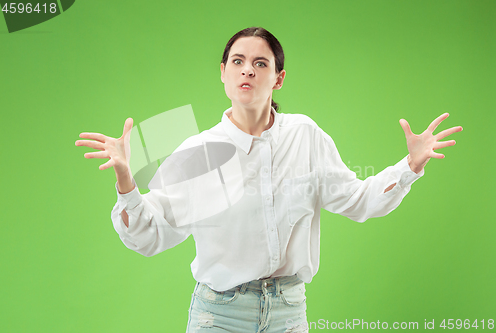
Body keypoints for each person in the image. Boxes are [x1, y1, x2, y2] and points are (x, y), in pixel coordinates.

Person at [75, 27, 462, 333]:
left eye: (261, 64)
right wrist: (127, 180)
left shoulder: (305, 135)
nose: (248, 69)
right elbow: (150, 234)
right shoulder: (200, 151)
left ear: (278, 78)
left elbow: (359, 201)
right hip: (219, 316)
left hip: (289, 314)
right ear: (223, 73)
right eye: (238, 61)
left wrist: (409, 167)